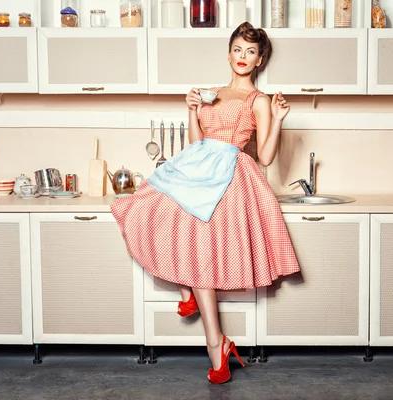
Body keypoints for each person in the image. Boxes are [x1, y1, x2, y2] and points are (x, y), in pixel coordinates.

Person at [110, 21, 300, 384]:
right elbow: (197, 141)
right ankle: (205, 320)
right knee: (149, 209)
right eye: (238, 50)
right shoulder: (210, 93)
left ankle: (214, 342)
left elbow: (266, 156)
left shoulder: (258, 100)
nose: (243, 57)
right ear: (228, 53)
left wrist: (275, 120)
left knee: (200, 253)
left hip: (228, 176)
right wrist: (190, 109)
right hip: (197, 167)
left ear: (260, 60)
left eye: (251, 52)